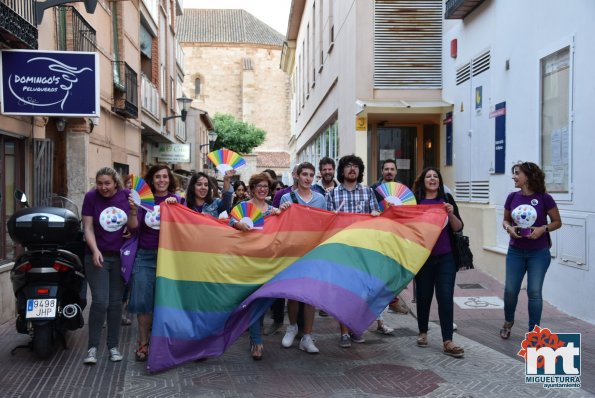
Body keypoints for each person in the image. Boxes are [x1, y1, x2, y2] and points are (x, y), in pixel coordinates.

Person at [326, 154, 393, 348]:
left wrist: (375, 215)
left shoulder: (367, 193)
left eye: (355, 166)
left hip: (364, 250)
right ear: (342, 170)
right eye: (348, 166)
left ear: (360, 171)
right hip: (342, 250)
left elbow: (377, 219)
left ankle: (356, 327)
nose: (352, 169)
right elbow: (329, 223)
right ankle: (344, 332)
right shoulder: (332, 194)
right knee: (344, 292)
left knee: (362, 292)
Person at [500, 161, 562, 338]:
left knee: (534, 291)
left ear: (527, 176)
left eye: (517, 173)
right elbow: (505, 220)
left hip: (538, 253)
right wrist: (509, 228)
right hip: (516, 251)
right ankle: (508, 321)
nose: (513, 176)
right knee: (511, 290)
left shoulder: (544, 198)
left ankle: (534, 332)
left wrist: (544, 229)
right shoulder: (512, 197)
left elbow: (557, 222)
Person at [127, 164, 182, 362]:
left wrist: (175, 207)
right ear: (152, 179)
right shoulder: (143, 200)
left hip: (170, 257)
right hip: (145, 255)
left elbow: (186, 227)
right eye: (157, 177)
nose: (161, 180)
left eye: (165, 177)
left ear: (170, 180)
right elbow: (133, 228)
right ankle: (143, 343)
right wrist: (133, 211)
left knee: (167, 301)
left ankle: (163, 342)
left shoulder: (178, 200)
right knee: (143, 301)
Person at [81, 167, 133, 364]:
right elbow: (87, 227)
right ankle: (92, 348)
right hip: (97, 256)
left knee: (115, 304)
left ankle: (113, 346)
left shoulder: (127, 196)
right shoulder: (91, 197)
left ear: (115, 183)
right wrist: (94, 250)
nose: (103, 187)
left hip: (121, 257)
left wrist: (131, 225)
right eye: (100, 183)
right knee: (100, 301)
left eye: (107, 183)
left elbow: (136, 222)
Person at [412, 167, 464, 358]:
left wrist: (450, 213)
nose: (432, 179)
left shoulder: (447, 200)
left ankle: (447, 341)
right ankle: (423, 332)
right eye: (428, 176)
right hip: (423, 258)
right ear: (423, 181)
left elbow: (459, 227)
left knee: (445, 297)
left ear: (439, 181)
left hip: (446, 257)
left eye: (435, 176)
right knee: (424, 296)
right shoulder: (415, 202)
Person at [230, 172, 282, 360]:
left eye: (265, 187)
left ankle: (255, 335)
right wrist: (238, 224)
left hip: (267, 261)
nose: (262, 189)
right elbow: (230, 222)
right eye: (259, 186)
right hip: (247, 261)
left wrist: (281, 213)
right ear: (252, 189)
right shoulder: (243, 206)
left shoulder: (272, 210)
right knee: (253, 299)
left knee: (263, 298)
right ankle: (256, 340)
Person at [279, 162, 326, 354]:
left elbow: (325, 223)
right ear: (297, 176)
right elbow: (279, 223)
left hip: (313, 253)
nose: (308, 178)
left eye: (311, 175)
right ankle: (292, 327)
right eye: (304, 174)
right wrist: (283, 211)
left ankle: (307, 336)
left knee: (310, 296)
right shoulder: (286, 197)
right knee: (293, 295)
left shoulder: (321, 199)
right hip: (293, 253)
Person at [371, 159, 410, 315]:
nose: (389, 171)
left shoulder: (402, 189)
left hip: (396, 234)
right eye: (386, 169)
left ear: (396, 171)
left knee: (395, 270)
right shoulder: (374, 189)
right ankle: (380, 303)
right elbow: (371, 208)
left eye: (392, 169)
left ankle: (393, 301)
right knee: (379, 271)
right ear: (382, 171)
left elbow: (408, 211)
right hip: (379, 234)